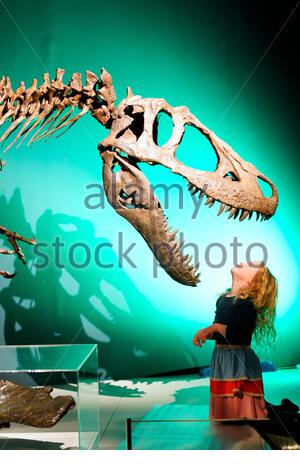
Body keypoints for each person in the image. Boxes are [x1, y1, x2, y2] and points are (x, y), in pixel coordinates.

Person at [193, 260, 278, 420]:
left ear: (255, 283)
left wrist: (214, 328)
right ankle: (229, 415)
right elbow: (221, 331)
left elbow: (237, 334)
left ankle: (246, 415)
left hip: (239, 362)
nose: (244, 261)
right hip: (223, 358)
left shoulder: (248, 305)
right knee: (226, 395)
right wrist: (207, 332)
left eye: (252, 265)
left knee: (240, 395)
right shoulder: (223, 300)